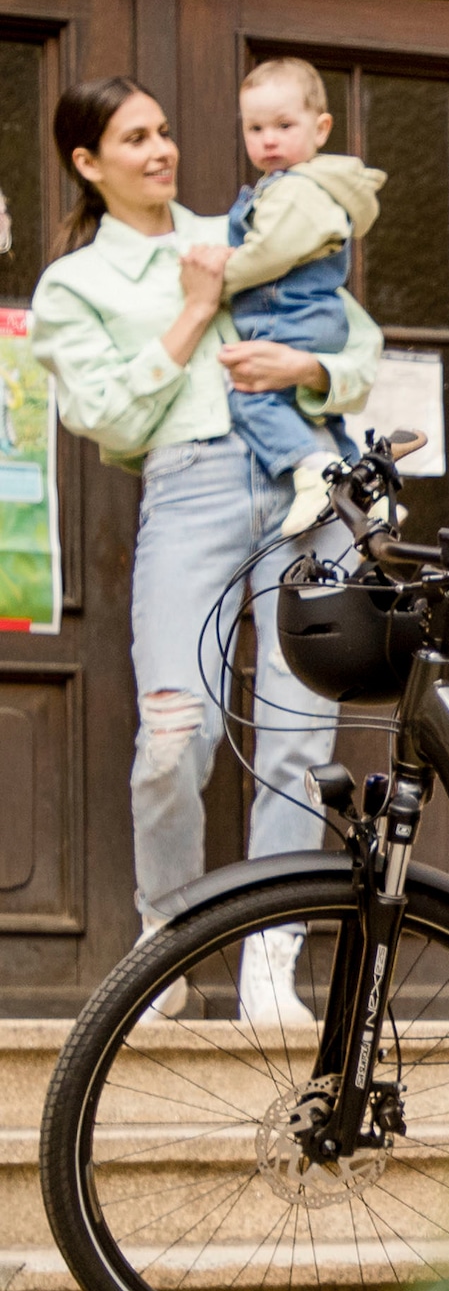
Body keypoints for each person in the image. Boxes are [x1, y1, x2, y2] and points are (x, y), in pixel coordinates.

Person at [27, 76, 384, 1024]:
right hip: (187, 490)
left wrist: (308, 367)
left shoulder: (250, 224)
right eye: (135, 138)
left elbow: (359, 348)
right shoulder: (77, 285)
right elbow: (103, 418)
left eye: (166, 130)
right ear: (87, 162)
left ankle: (274, 952)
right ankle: (169, 934)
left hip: (305, 483)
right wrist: (193, 312)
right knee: (171, 736)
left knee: (301, 734)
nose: (161, 150)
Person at [220, 56, 386, 539]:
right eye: (255, 128)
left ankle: (311, 471)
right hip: (312, 318)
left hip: (285, 317)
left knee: (251, 397)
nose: (268, 139)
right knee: (323, 417)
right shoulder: (297, 186)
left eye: (283, 125)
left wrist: (221, 277)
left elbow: (268, 254)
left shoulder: (298, 190)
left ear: (321, 128)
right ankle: (363, 493)